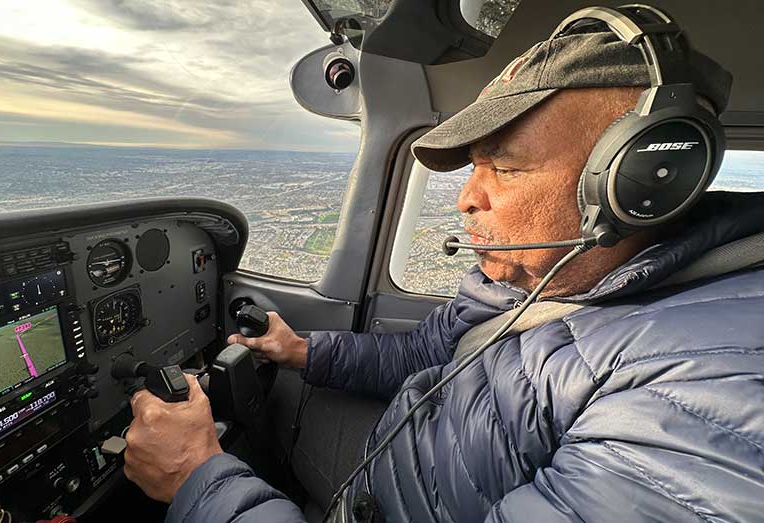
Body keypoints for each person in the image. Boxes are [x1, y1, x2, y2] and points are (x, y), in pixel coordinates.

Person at [123, 10, 764, 523]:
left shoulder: (706, 395)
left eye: (505, 167)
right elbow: (425, 355)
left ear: (642, 180)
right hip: (402, 459)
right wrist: (304, 352)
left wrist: (198, 481)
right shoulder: (530, 274)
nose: (466, 197)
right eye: (473, 167)